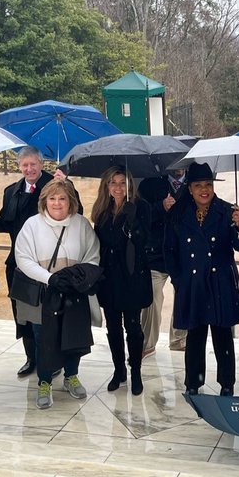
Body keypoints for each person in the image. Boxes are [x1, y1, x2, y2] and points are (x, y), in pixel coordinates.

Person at [164, 162, 239, 396]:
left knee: (223, 336)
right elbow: (169, 250)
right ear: (190, 189)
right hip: (192, 284)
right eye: (198, 185)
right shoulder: (178, 213)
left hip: (220, 282)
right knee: (195, 335)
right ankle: (193, 382)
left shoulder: (227, 211)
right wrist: (179, 281)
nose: (204, 190)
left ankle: (227, 384)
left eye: (208, 185)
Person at [0, 146, 79, 378]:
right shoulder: (11, 191)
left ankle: (56, 359)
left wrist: (68, 186)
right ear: (19, 167)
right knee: (25, 315)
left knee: (52, 316)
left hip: (50, 265)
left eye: (33, 164)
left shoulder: (56, 185)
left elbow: (76, 211)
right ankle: (32, 357)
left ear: (42, 164)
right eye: (25, 165)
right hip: (19, 265)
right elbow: (5, 222)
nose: (29, 169)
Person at [15, 178, 101, 410]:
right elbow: (23, 258)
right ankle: (44, 382)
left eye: (62, 198)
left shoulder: (81, 224)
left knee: (73, 335)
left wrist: (76, 277)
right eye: (52, 198)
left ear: (70, 201)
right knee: (43, 339)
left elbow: (93, 254)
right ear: (44, 201)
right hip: (44, 291)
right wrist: (50, 278)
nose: (57, 203)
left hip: (73, 291)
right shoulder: (32, 225)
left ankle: (71, 376)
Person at [93, 166, 152, 396]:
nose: (118, 187)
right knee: (113, 328)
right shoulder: (102, 210)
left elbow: (144, 239)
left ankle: (135, 371)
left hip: (131, 276)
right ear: (107, 186)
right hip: (109, 278)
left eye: (122, 182)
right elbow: (101, 242)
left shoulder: (141, 207)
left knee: (133, 328)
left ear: (130, 185)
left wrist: (132, 220)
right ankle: (119, 371)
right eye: (113, 182)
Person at [138, 167, 188, 356]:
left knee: (184, 296)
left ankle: (179, 339)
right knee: (151, 297)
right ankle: (147, 343)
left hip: (182, 254)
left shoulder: (195, 184)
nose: (179, 166)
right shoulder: (149, 185)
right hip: (154, 254)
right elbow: (140, 216)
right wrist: (160, 206)